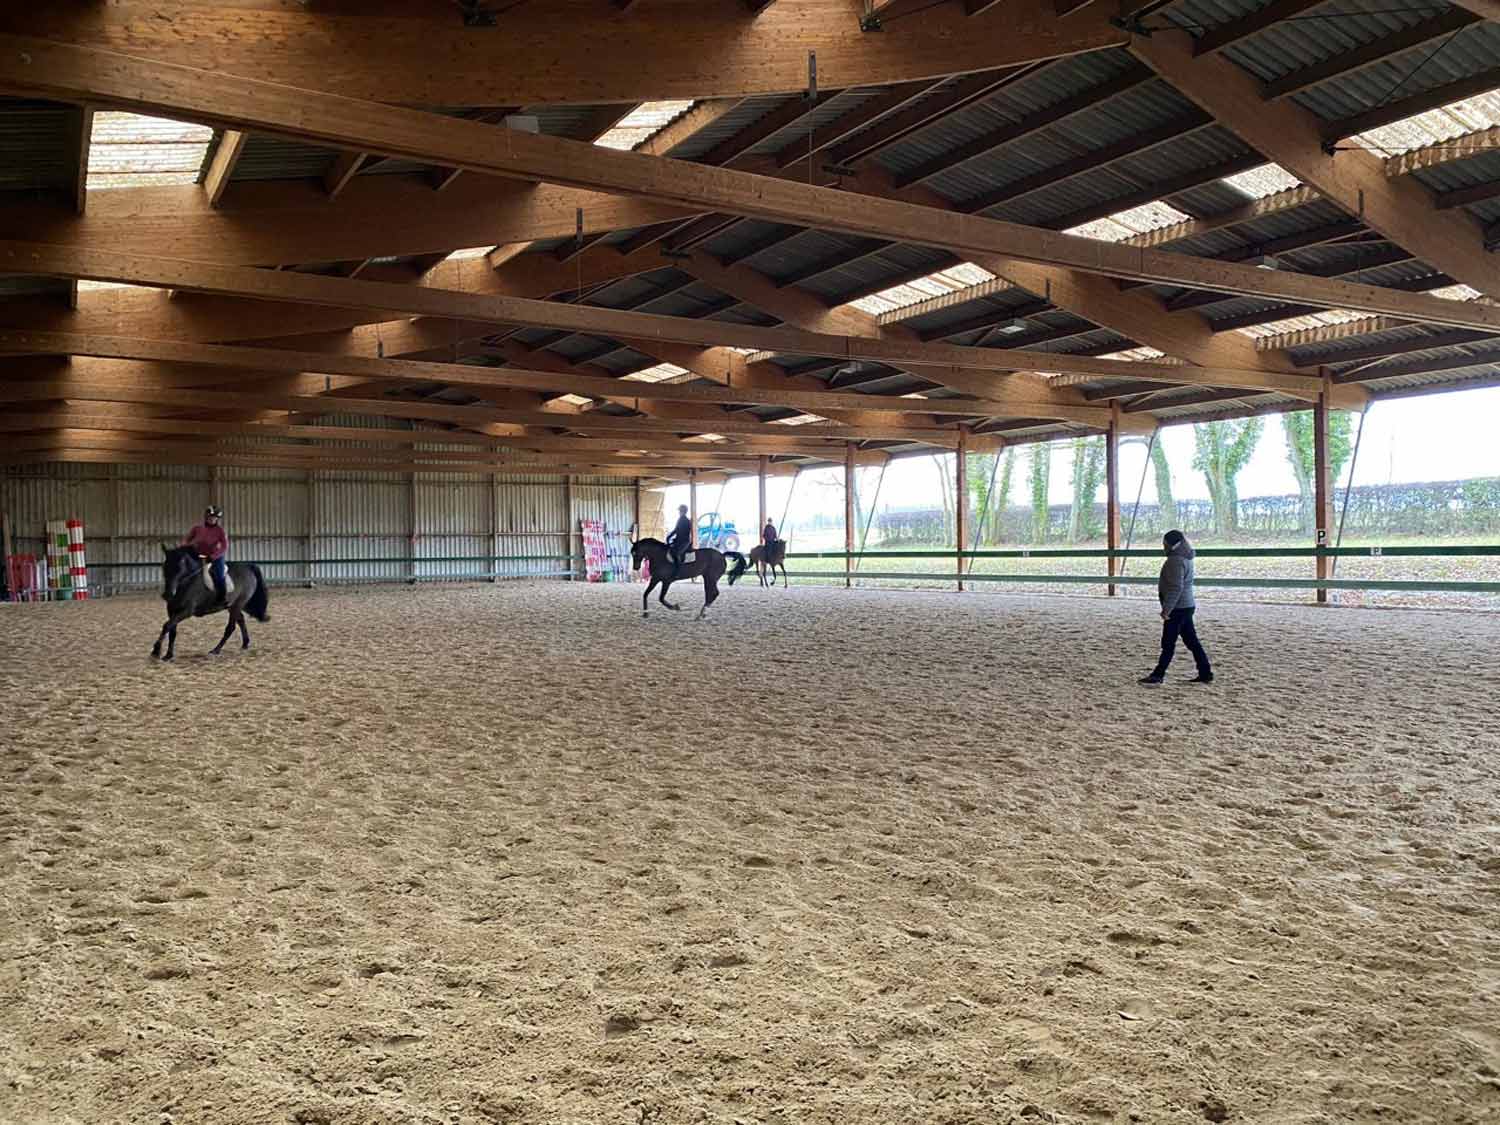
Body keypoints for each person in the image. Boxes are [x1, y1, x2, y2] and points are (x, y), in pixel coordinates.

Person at [1140, 529, 1213, 685]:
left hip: (1178, 608)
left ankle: (1158, 674)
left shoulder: (1175, 560)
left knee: (1168, 643)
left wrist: (1167, 610)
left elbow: (1175, 587)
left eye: (1165, 544)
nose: (1163, 547)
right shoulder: (1186, 558)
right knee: (1192, 642)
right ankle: (1205, 672)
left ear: (1171, 545)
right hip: (1186, 605)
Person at [182, 505, 229, 605]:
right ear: (206, 517)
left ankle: (222, 598)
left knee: (219, 575)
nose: (212, 519)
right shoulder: (197, 528)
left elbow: (224, 547)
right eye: (210, 517)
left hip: (214, 557)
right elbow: (187, 539)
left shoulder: (220, 531)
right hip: (198, 554)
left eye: (215, 518)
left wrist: (213, 556)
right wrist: (185, 546)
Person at [664, 504, 693, 574]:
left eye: (680, 511)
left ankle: (678, 571)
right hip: (680, 540)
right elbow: (677, 530)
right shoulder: (681, 519)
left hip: (684, 541)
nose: (679, 512)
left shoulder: (684, 520)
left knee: (676, 553)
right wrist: (670, 537)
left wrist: (669, 537)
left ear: (683, 511)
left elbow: (677, 530)